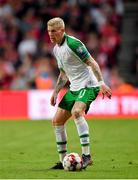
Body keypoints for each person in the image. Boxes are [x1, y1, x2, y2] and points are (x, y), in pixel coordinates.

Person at [47, 17, 112, 169]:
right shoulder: (56, 49)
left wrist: (101, 83)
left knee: (77, 112)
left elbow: (92, 62)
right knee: (57, 121)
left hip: (89, 85)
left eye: (54, 31)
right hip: (75, 88)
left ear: (62, 31)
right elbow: (63, 74)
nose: (50, 34)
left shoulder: (74, 44)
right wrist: (56, 92)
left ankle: (87, 156)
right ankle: (63, 161)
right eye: (49, 31)